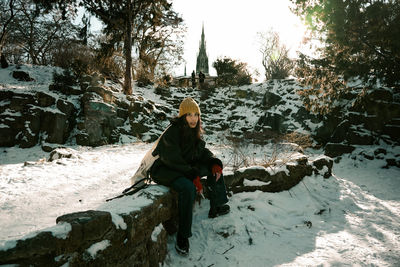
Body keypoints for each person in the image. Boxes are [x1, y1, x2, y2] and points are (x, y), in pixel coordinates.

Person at [150, 97, 230, 256]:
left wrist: (214, 162)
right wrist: (192, 176)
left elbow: (202, 153)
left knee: (214, 169)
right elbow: (171, 158)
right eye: (189, 115)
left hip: (184, 167)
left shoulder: (195, 132)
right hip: (167, 170)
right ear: (182, 116)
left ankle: (217, 205)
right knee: (187, 187)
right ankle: (183, 235)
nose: (193, 118)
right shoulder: (172, 131)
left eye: (196, 115)